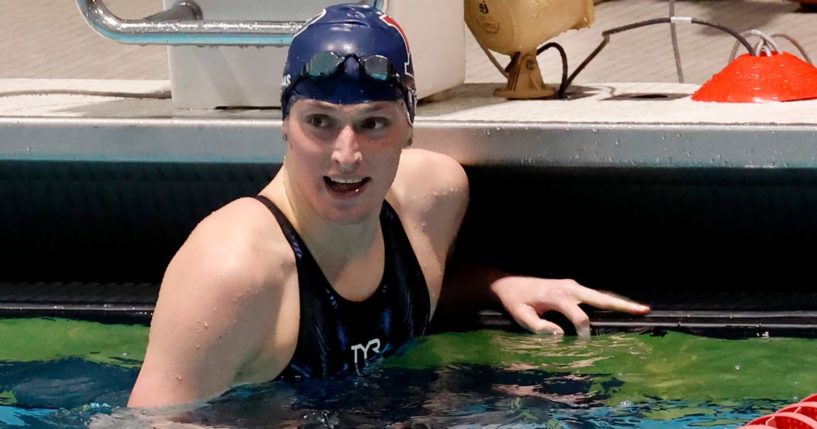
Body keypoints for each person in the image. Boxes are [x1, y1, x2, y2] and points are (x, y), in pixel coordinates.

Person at [127, 3, 650, 409]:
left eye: (373, 123)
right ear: (284, 124)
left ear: (408, 128)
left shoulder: (432, 199)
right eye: (319, 122)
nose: (346, 155)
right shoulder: (233, 272)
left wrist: (495, 285)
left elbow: (382, 305)